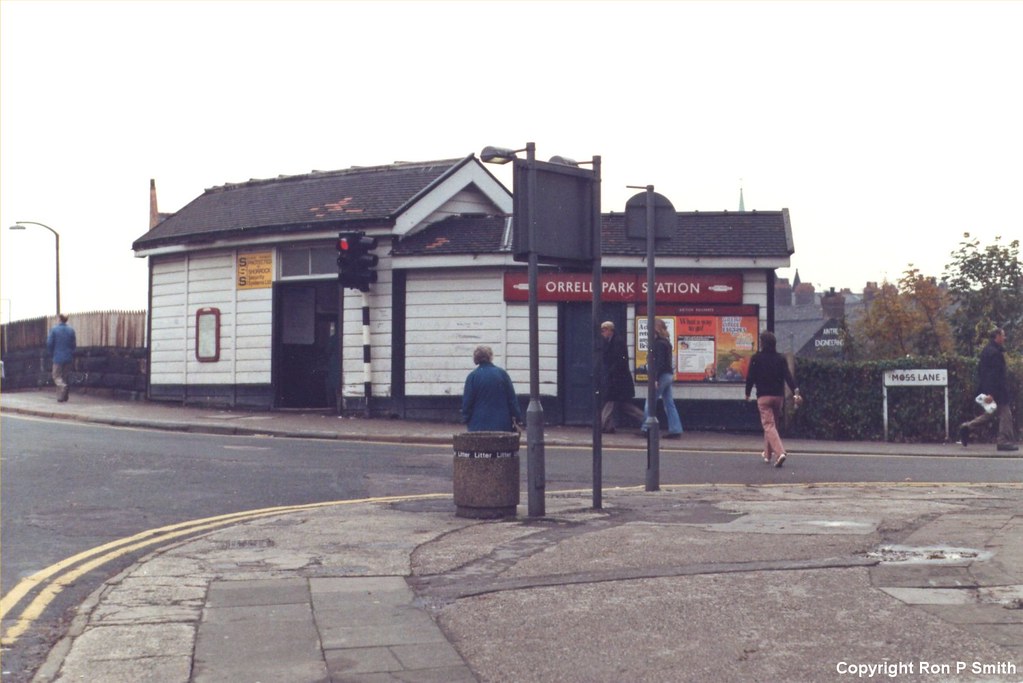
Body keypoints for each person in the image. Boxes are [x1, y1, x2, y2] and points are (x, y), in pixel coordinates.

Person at [744, 330, 801, 467]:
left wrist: (747, 393)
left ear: (762, 343)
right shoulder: (780, 358)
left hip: (763, 397)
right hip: (778, 397)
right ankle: (767, 454)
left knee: (768, 425)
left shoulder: (756, 358)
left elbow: (750, 377)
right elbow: (788, 376)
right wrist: (795, 391)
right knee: (772, 426)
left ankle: (780, 453)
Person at [959, 327, 1018, 452]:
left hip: (992, 389)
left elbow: (982, 371)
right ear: (997, 336)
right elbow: (993, 375)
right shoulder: (994, 353)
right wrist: (991, 393)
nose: (1004, 338)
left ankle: (967, 427)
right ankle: (1003, 442)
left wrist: (987, 391)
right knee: (1006, 414)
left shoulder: (987, 350)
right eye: (1003, 335)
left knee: (990, 414)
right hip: (998, 391)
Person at [462, 345, 523, 432]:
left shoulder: (472, 377)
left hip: (478, 425)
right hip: (502, 424)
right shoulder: (502, 374)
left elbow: (467, 402)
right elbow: (512, 400)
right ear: (490, 357)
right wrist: (518, 418)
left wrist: (466, 418)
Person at [641, 318, 683, 438]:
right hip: (668, 375)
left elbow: (659, 363)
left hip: (661, 376)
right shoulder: (666, 342)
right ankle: (675, 429)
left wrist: (655, 378)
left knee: (650, 401)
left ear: (655, 329)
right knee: (669, 403)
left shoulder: (658, 344)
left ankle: (647, 429)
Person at [599, 321, 644, 433]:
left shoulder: (617, 342)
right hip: (618, 379)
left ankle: (603, 426)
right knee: (623, 405)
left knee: (611, 402)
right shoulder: (611, 341)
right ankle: (608, 426)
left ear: (610, 330)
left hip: (618, 379)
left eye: (603, 330)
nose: (602, 333)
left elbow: (619, 361)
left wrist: (610, 373)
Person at [46, 314, 77, 403]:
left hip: (57, 357)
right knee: (65, 376)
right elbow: (74, 344)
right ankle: (62, 397)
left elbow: (49, 343)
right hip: (68, 357)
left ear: (59, 319)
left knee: (56, 376)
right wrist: (71, 353)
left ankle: (62, 387)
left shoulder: (54, 330)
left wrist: (51, 353)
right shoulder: (71, 330)